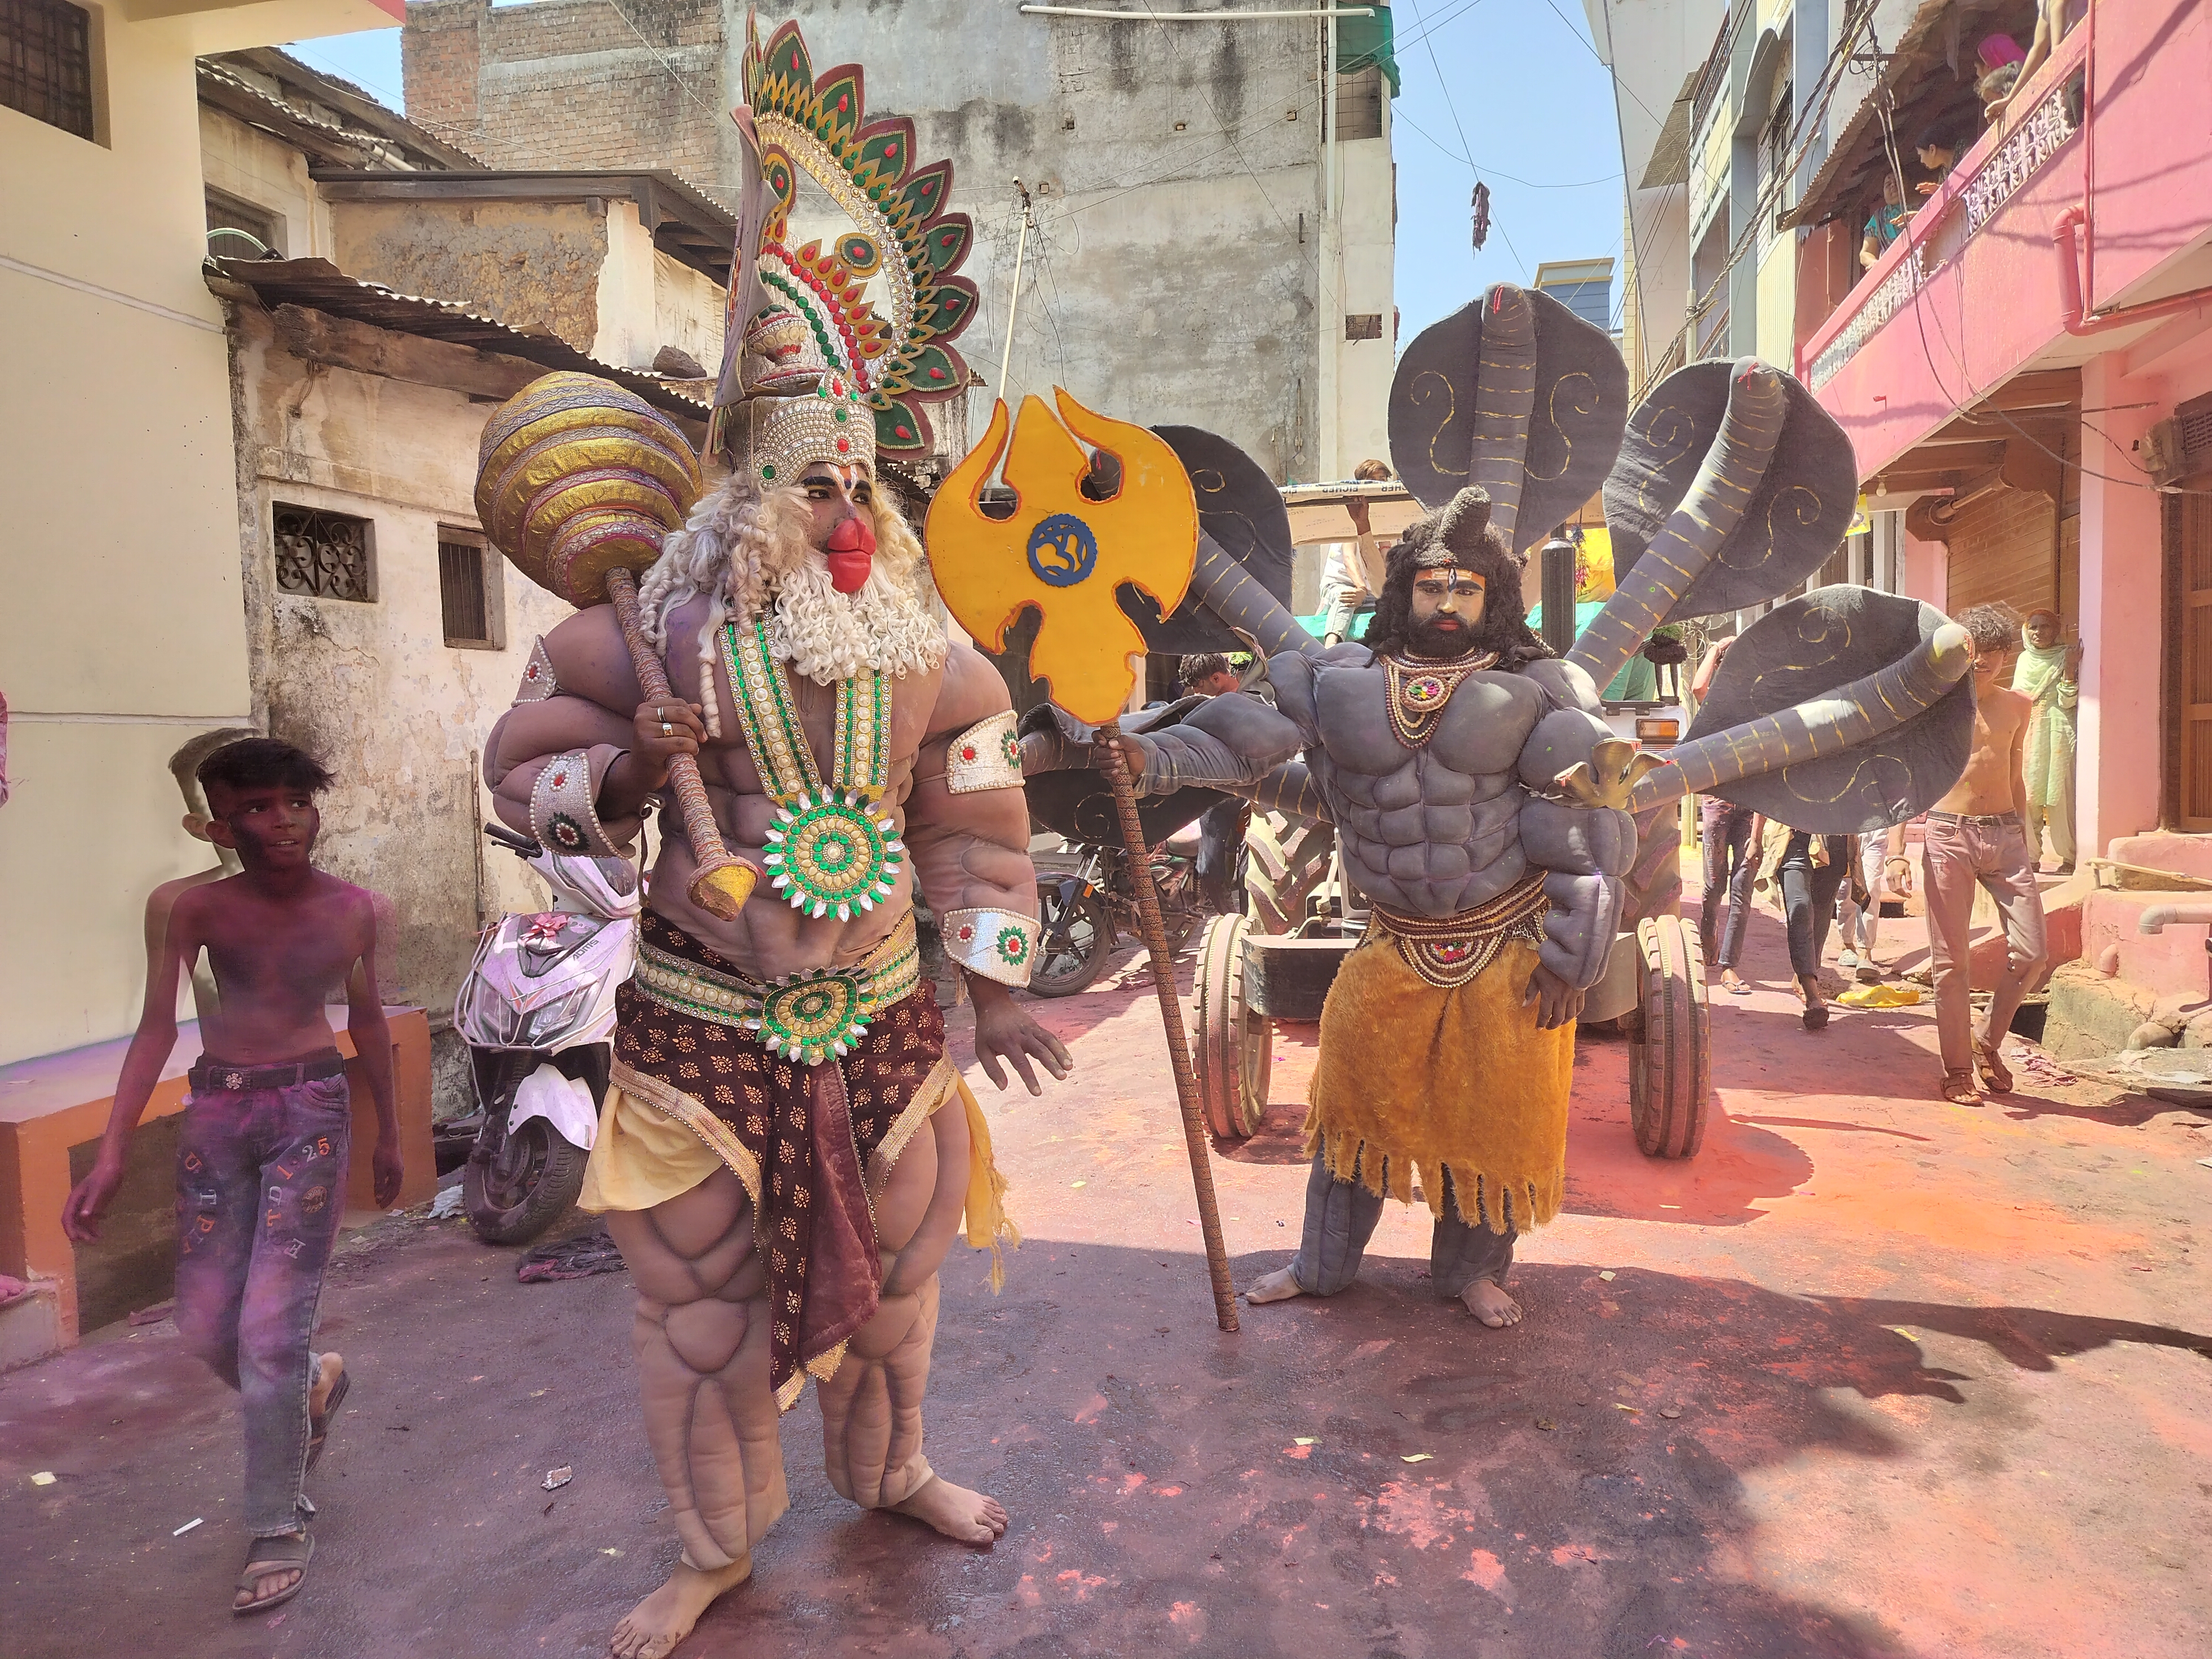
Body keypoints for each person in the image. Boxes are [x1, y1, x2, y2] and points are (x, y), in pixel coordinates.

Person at [482, 326, 1072, 1659]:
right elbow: (524, 789)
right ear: (738, 501)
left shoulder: (940, 652)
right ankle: (712, 1550)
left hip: (882, 1023)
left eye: (864, 487)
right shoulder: (623, 642)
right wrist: (634, 770)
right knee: (697, 1305)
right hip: (702, 1032)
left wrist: (1002, 988)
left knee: (905, 1280)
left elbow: (976, 832)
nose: (849, 514)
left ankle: (892, 1470)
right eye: (816, 485)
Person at [1100, 487, 1630, 1330]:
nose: (1446, 604)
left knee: (1487, 1124)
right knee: (1352, 1113)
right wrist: (1150, 757)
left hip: (1505, 947)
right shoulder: (1336, 681)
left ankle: (1473, 1275)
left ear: (1493, 597)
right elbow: (1240, 740)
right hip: (1390, 943)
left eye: (1465, 589)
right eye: (1430, 586)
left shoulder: (1538, 688)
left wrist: (1575, 959)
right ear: (1402, 591)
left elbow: (1589, 821)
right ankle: (1321, 1267)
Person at [59, 738, 402, 1615]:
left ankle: (276, 1521)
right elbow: (150, 1032)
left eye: (294, 802)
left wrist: (389, 1138)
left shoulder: (359, 909)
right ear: (218, 823)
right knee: (206, 1325)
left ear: (315, 809)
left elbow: (368, 1023)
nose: (280, 821)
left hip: (312, 1116)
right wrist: (109, 1151)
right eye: (255, 808)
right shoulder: (190, 909)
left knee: (270, 1328)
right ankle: (317, 1383)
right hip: (218, 1113)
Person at [1923, 603, 2048, 1105]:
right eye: (1978, 652)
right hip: (1947, 834)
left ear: (2008, 657)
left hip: (2006, 836)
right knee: (1951, 963)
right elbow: (1906, 778)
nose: (1987, 662)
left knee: (2033, 953)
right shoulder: (1934, 705)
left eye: (1997, 654)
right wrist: (1894, 852)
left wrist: (2027, 836)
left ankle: (1986, 1042)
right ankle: (1956, 1071)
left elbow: (2015, 776)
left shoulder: (2019, 706)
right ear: (1961, 650)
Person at [1691, 637, 1756, 995]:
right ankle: (1706, 933)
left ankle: (1731, 967)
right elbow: (1698, 686)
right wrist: (1716, 648)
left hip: (1752, 807)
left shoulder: (1761, 702)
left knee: (1743, 887)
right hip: (1718, 802)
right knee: (1715, 884)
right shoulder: (1718, 705)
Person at [1180, 653, 1252, 913]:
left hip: (1253, 797)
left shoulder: (1253, 700)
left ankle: (1250, 923)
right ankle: (1230, 919)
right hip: (1215, 795)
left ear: (1216, 678)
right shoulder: (1203, 709)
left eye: (1199, 684)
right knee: (1208, 868)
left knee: (1248, 873)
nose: (1196, 690)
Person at [2013, 608, 2079, 873]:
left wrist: (2070, 671)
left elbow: (2069, 702)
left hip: (2059, 731)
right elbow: (2017, 700)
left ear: (2057, 630)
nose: (2039, 633)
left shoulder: (2067, 656)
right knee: (2027, 794)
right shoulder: (2023, 660)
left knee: (2060, 795)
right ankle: (2030, 856)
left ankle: (2070, 856)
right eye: (2034, 627)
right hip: (2029, 732)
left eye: (2046, 627)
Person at [1319, 458, 1396, 645]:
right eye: (1373, 480)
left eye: (1382, 479)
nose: (1379, 484)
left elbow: (1386, 568)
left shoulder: (1390, 518)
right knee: (1346, 597)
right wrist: (1360, 588)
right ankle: (1331, 646)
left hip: (1371, 592)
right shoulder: (1354, 512)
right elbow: (1349, 557)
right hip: (1343, 583)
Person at [1837, 823, 1910, 982]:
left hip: (1876, 828)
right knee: (1845, 890)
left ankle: (1865, 952)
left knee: (1870, 888)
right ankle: (1847, 944)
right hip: (1844, 828)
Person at [1860, 173, 1910, 272]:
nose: (1893, 185)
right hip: (1893, 274)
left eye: (1897, 181)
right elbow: (1865, 254)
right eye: (1888, 185)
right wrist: (1874, 263)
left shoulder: (1924, 205)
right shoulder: (1878, 218)